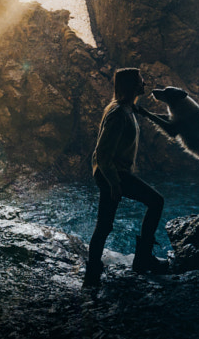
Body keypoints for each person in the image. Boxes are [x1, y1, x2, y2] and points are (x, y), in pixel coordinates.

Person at [83, 67, 169, 288]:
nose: (144, 84)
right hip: (113, 174)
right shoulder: (118, 114)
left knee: (104, 225)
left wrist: (139, 111)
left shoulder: (126, 109)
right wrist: (113, 183)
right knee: (156, 201)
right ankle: (142, 260)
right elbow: (102, 153)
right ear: (131, 86)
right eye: (141, 81)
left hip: (113, 173)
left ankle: (93, 272)